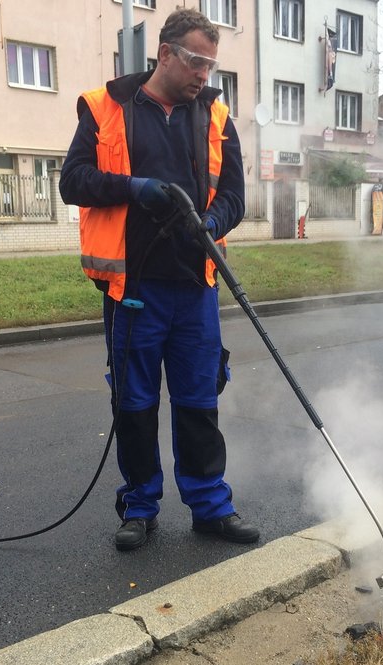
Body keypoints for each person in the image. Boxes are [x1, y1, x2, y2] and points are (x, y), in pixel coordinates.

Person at [59, 9, 259, 551]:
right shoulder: (105, 108)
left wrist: (212, 223)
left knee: (199, 401)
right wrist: (135, 187)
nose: (204, 74)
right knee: (135, 404)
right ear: (165, 53)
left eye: (212, 65)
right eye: (196, 61)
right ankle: (140, 507)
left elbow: (237, 197)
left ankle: (210, 505)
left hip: (196, 287)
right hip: (134, 292)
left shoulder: (216, 116)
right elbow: (73, 181)